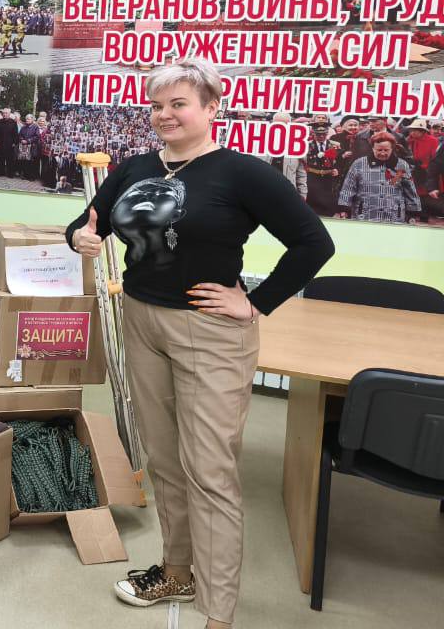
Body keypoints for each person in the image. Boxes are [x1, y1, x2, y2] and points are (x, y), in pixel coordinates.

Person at [66, 59, 333, 629]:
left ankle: (218, 613)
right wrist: (80, 238)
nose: (165, 115)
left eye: (178, 104)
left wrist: (256, 302)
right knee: (165, 460)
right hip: (142, 322)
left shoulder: (242, 173)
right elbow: (87, 224)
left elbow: (314, 243)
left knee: (210, 471)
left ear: (211, 107)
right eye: (157, 105)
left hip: (210, 333)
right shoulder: (135, 168)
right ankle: (177, 570)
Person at [337, 132, 422, 224]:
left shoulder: (402, 165)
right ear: (373, 148)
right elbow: (348, 188)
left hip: (394, 217)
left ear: (392, 149)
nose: (382, 153)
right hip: (364, 216)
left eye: (386, 150)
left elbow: (410, 190)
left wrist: (413, 213)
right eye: (379, 150)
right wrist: (344, 209)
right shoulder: (358, 164)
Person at [303, 117, 341, 216]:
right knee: (312, 207)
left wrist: (337, 170)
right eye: (318, 134)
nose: (321, 136)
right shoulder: (306, 145)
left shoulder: (335, 145)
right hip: (312, 179)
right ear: (313, 133)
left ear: (327, 133)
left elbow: (340, 161)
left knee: (328, 207)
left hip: (329, 180)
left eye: (324, 134)